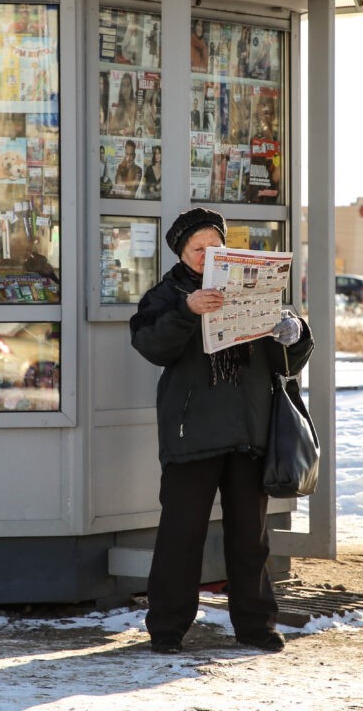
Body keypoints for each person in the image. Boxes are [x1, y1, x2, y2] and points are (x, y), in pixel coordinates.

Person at [130, 207, 314, 655]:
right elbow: (151, 345)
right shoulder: (166, 294)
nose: (207, 255)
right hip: (191, 432)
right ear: (182, 251)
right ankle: (168, 629)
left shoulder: (250, 284)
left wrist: (294, 333)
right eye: (198, 248)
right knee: (181, 534)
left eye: (216, 246)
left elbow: (286, 363)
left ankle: (256, 626)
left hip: (248, 430)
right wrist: (187, 311)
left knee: (250, 537)